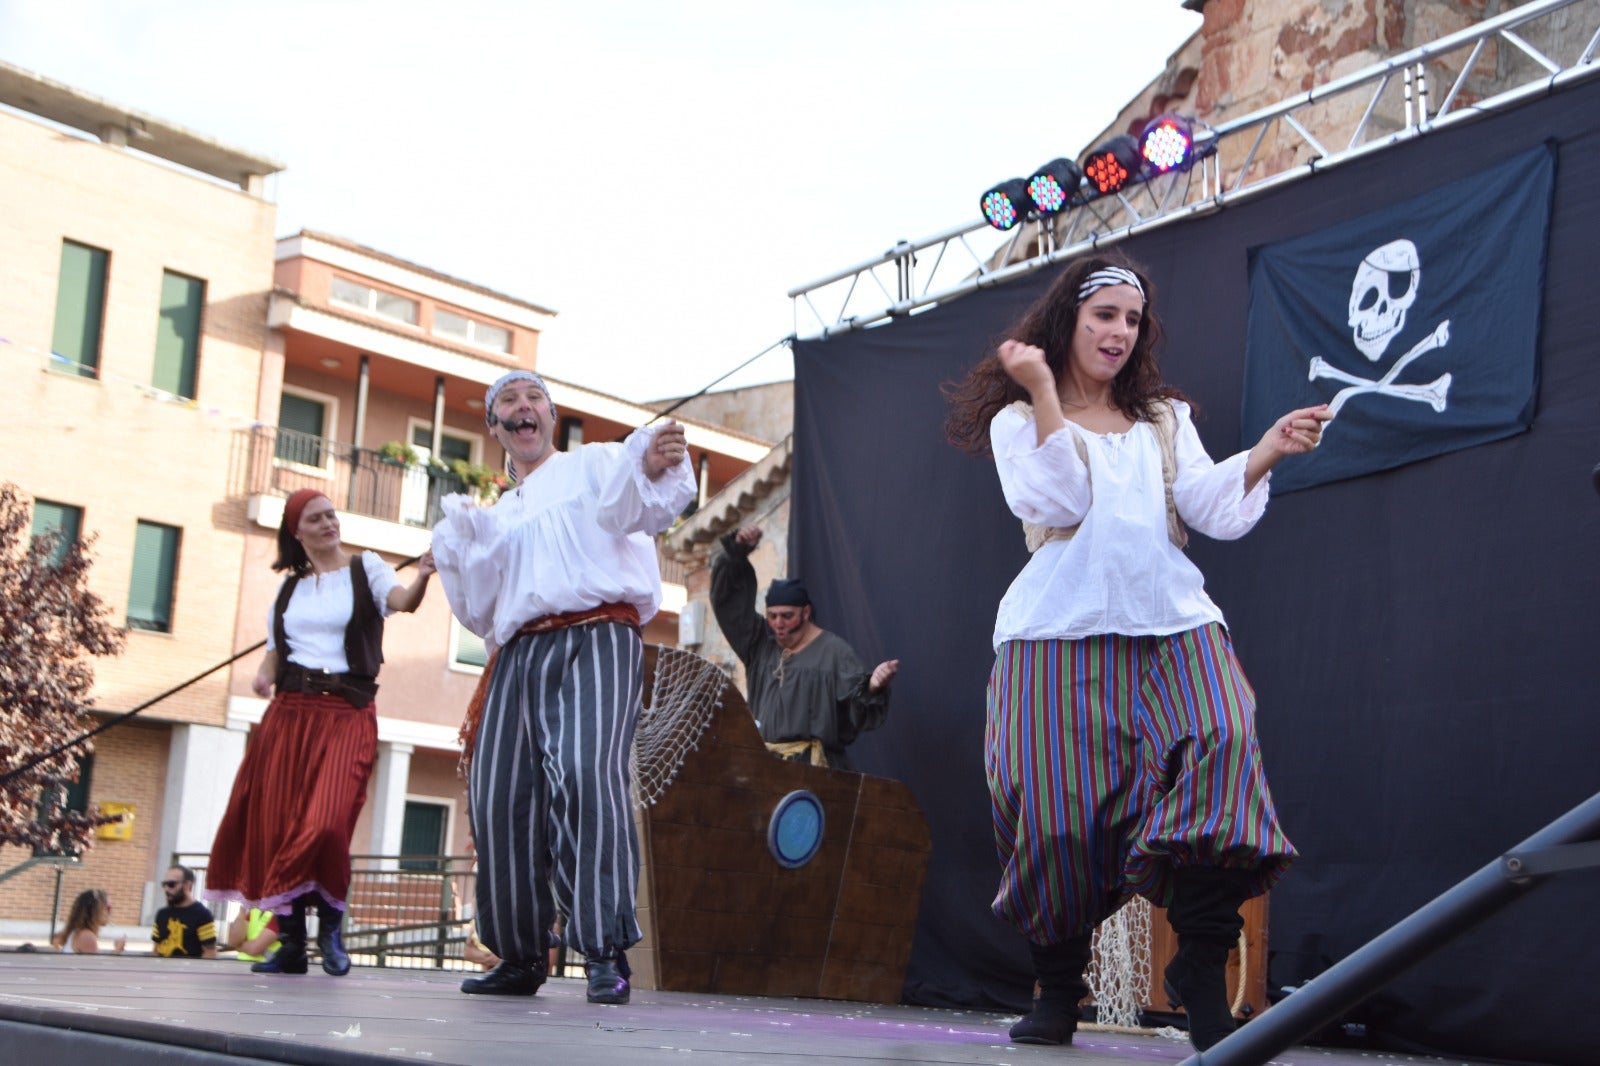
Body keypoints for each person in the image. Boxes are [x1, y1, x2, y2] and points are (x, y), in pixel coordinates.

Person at [944, 254, 1330, 1051]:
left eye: (1132, 319)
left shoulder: (1162, 418)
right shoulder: (1021, 420)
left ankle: (1199, 968)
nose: (1120, 332)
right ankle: (1058, 988)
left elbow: (1207, 508)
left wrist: (1265, 452)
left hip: (1174, 623)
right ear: (1068, 322)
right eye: (1104, 315)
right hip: (1057, 633)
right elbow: (1060, 499)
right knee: (1050, 814)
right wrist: (1046, 391)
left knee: (1225, 743)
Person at [432, 370, 694, 1004]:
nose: (523, 410)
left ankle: (604, 949)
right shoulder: (496, 514)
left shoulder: (597, 463)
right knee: (499, 794)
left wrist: (654, 463)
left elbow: (638, 505)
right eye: (508, 406)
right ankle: (521, 954)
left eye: (533, 401)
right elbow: (478, 609)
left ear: (551, 416)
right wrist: (463, 544)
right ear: (495, 429)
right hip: (519, 653)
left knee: (583, 771)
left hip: (599, 633)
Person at [204, 488, 435, 977]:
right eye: (316, 518)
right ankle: (290, 943)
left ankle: (330, 925)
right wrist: (263, 674)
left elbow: (402, 602)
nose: (329, 522)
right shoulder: (288, 590)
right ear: (298, 531)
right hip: (290, 713)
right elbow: (275, 648)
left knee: (326, 823)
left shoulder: (366, 568)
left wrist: (423, 577)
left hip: (347, 712)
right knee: (278, 824)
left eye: (331, 514)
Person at [710, 525, 899, 769]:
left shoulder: (835, 654)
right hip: (764, 770)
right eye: (772, 616)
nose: (778, 624)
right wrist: (737, 551)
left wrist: (873, 687)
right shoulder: (760, 648)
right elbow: (728, 604)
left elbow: (859, 713)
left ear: (806, 612)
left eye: (787, 616)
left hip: (814, 773)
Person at [151, 865, 217, 958]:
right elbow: (156, 949)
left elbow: (210, 953)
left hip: (189, 970)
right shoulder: (162, 914)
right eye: (164, 884)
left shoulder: (202, 915)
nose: (166, 889)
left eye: (171, 884)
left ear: (187, 885)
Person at [52, 888, 126, 955]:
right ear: (95, 911)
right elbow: (96, 968)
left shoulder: (77, 932)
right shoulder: (87, 936)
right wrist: (116, 951)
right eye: (108, 907)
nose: (110, 912)